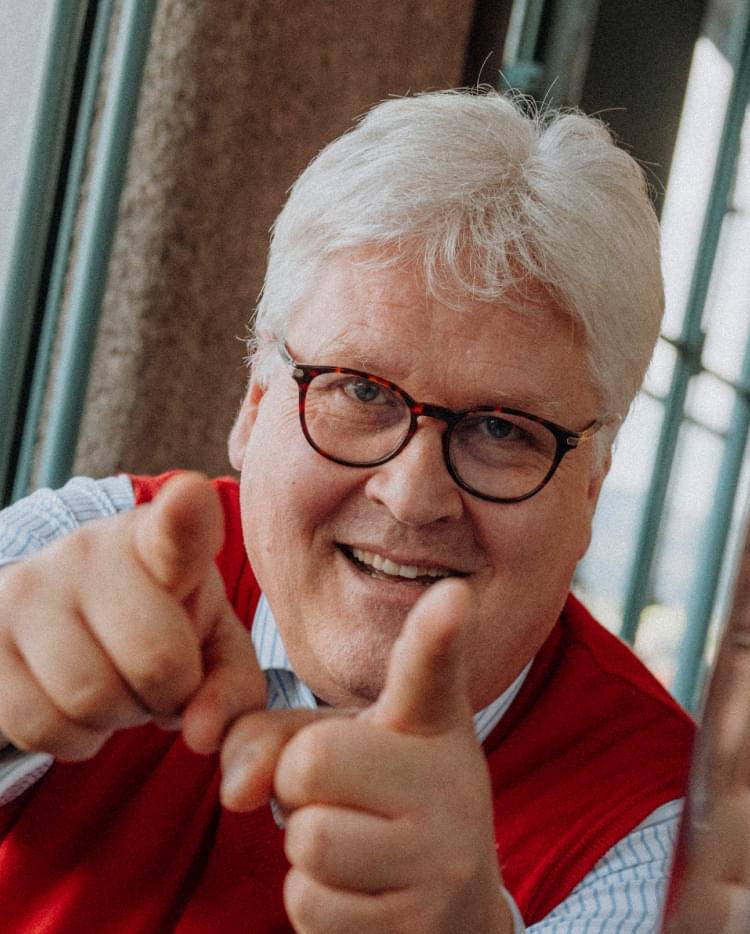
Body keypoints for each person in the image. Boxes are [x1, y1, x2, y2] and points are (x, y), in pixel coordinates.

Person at [0, 89, 694, 932]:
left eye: (503, 429)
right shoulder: (79, 557)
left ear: (592, 487)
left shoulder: (665, 836)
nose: (412, 495)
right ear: (255, 405)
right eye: (361, 391)